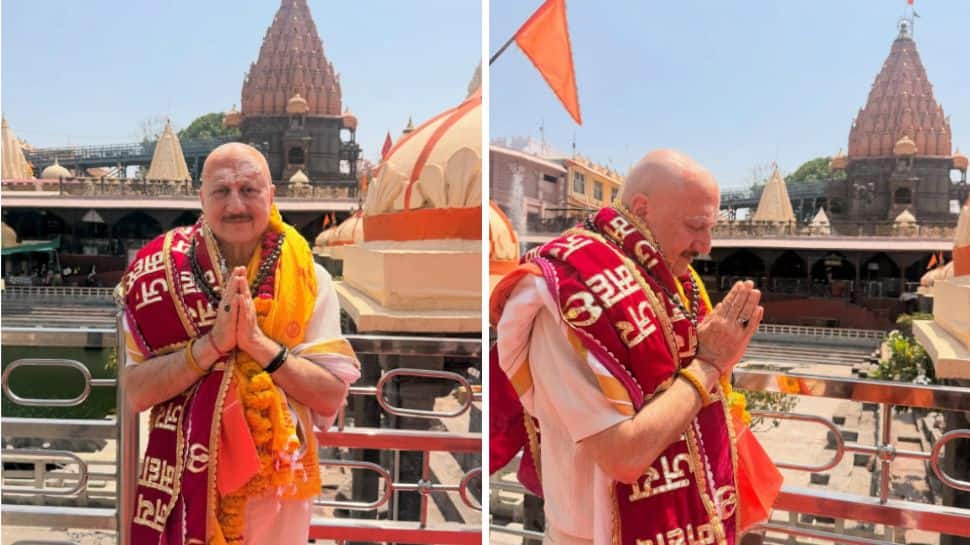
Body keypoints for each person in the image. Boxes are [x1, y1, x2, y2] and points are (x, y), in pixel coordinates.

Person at [490, 149, 765, 545]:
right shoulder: (570, 295)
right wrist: (709, 363)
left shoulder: (673, 285)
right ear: (641, 208)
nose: (705, 245)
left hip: (687, 520)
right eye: (695, 226)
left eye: (710, 228)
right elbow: (623, 456)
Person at [120, 143, 360, 545]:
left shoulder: (307, 278)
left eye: (249, 190)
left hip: (278, 484)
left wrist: (257, 344)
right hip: (182, 471)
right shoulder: (159, 275)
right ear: (201, 198)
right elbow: (137, 392)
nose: (236, 205)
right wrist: (211, 346)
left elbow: (330, 396)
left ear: (271, 195)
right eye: (221, 192)